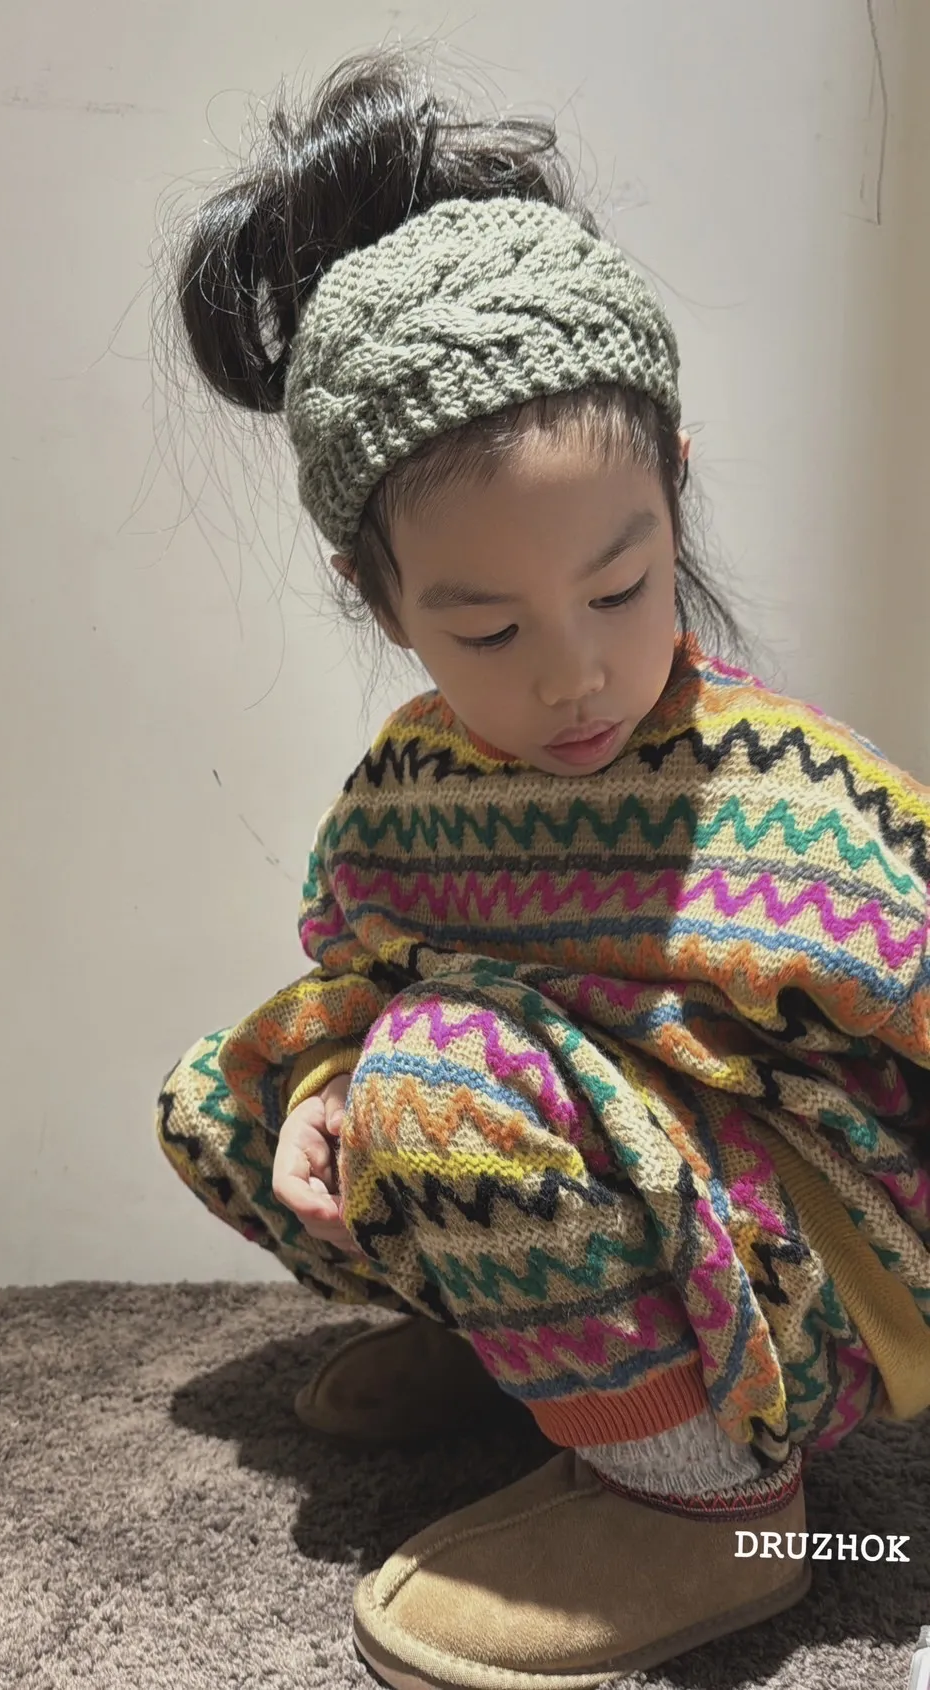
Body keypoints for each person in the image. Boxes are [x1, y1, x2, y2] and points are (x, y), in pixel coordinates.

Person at [155, 44, 930, 1690]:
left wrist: (410, 1082)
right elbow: (357, 980)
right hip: (587, 1169)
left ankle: (709, 1500)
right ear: (380, 602)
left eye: (621, 588)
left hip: (804, 1279)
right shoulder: (405, 794)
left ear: (675, 496)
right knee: (233, 1093)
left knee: (439, 1073)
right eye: (488, 629)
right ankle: (546, 1361)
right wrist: (321, 1091)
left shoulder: (785, 797)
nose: (574, 674)